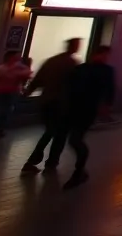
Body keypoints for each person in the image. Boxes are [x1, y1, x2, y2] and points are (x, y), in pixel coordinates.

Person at [21, 38, 81, 173]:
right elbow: (75, 85)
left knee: (50, 131)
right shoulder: (71, 63)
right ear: (74, 47)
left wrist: (27, 92)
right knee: (59, 134)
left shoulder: (51, 61)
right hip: (62, 103)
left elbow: (38, 79)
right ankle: (49, 162)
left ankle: (38, 161)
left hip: (46, 101)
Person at [61, 45, 116, 189]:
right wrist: (106, 106)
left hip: (82, 108)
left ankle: (79, 171)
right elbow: (109, 90)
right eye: (105, 54)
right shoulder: (103, 71)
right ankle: (80, 170)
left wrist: (105, 106)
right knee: (75, 139)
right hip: (83, 108)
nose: (106, 57)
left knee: (75, 138)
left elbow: (70, 86)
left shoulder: (83, 69)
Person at [0, 51, 30, 136]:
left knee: (7, 111)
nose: (18, 58)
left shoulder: (20, 68)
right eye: (16, 57)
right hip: (1, 92)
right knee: (1, 111)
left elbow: (27, 74)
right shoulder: (1, 68)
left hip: (12, 92)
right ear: (9, 58)